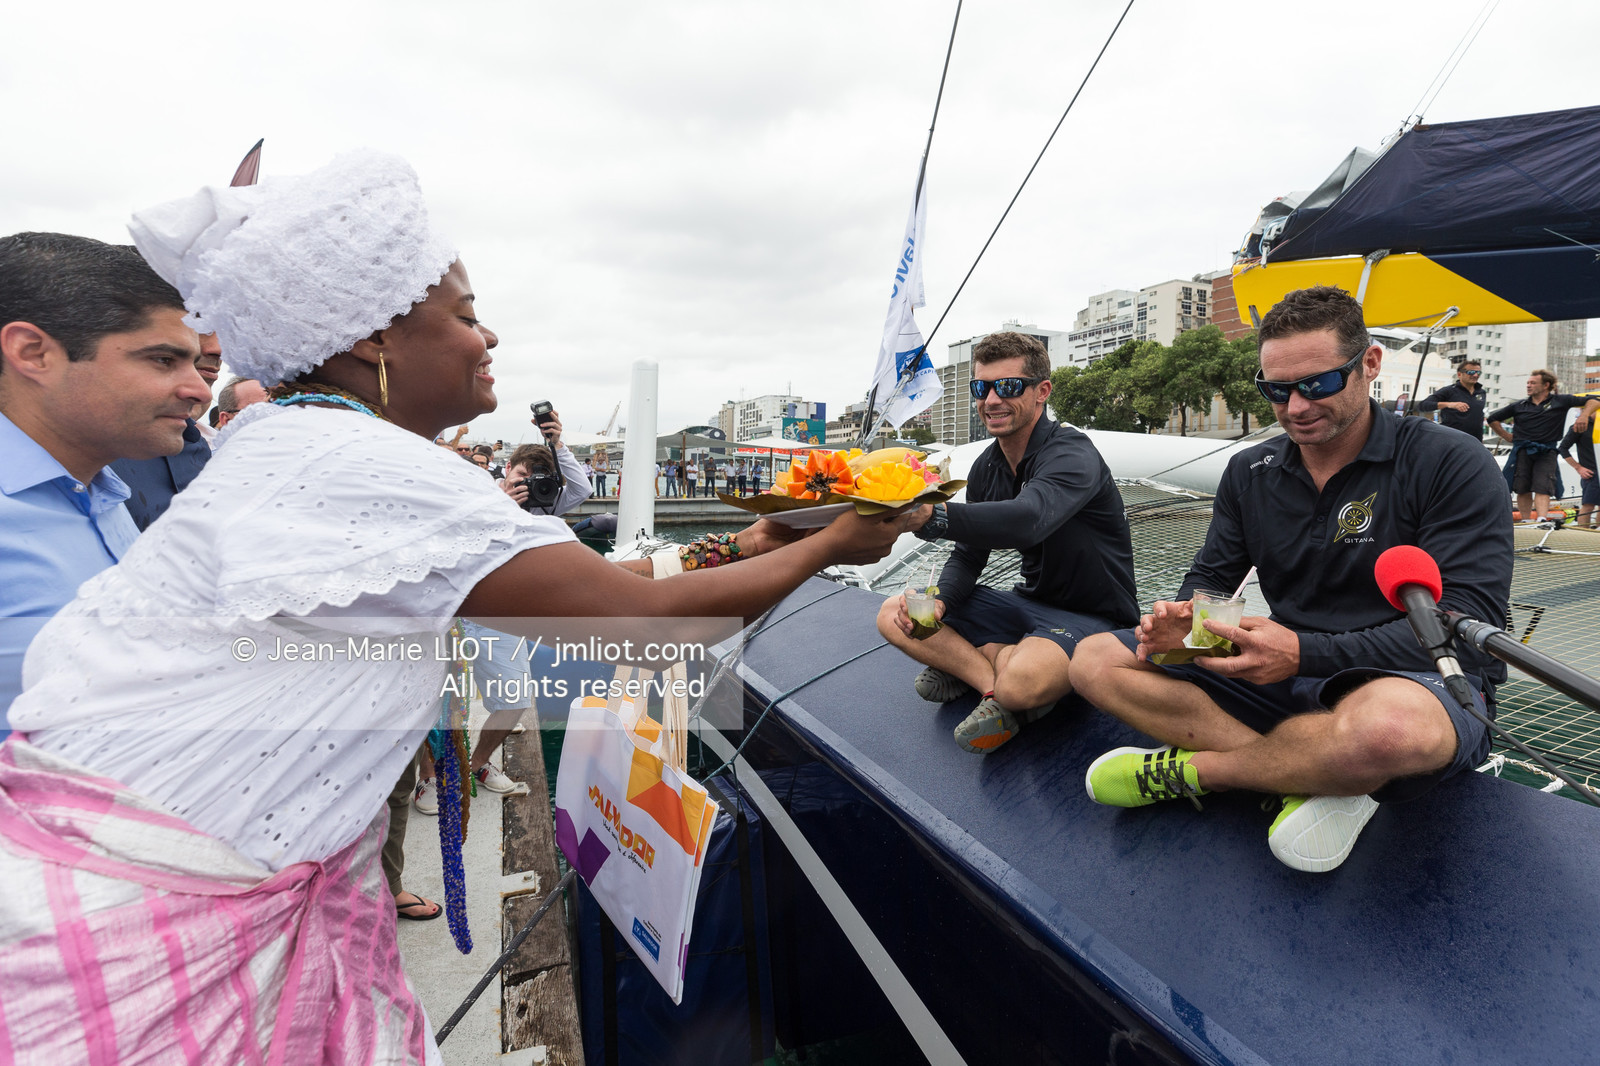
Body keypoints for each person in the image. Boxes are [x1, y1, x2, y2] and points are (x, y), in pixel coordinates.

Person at [0, 150, 916, 1063]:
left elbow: (560, 584)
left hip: (108, 874)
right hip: (154, 915)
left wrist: (749, 546)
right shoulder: (371, 462)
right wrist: (833, 544)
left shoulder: (288, 438)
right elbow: (644, 625)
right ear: (375, 338)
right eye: (467, 316)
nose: (489, 339)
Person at [1071, 285, 1514, 873]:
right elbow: (1212, 574)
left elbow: (1464, 626)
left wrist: (1303, 653)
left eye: (1318, 383)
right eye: (1276, 390)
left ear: (1369, 364)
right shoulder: (1248, 471)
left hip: (1411, 678)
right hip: (1283, 668)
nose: (1296, 407)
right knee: (1094, 659)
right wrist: (1186, 620)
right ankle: (1319, 774)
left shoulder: (1451, 461)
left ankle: (1205, 771)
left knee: (1387, 731)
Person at [878, 331, 1139, 753]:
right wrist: (941, 602)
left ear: (1042, 392)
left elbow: (1028, 520)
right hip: (1027, 603)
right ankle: (987, 684)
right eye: (981, 388)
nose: (992, 399)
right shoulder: (987, 467)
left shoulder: (1072, 454)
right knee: (895, 612)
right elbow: (969, 555)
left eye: (1009, 386)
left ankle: (981, 669)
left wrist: (933, 516)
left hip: (1095, 617)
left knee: (1021, 683)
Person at [0, 232, 206, 732]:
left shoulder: (103, 493)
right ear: (33, 353)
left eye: (196, 363)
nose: (200, 390)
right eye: (163, 359)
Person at [1488, 370, 1599, 523]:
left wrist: (1584, 416)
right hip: (1523, 449)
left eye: (1533, 383)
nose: (1528, 385)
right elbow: (1492, 419)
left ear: (1546, 385)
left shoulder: (1561, 401)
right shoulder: (1519, 405)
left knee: (1543, 485)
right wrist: (1506, 436)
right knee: (1522, 487)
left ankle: (1541, 519)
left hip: (1547, 450)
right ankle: (1526, 520)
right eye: (1528, 382)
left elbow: (1595, 400)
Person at [1416, 359, 1487, 438]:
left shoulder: (1481, 392)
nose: (1475, 375)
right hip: (1452, 438)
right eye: (1471, 372)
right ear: (1459, 374)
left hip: (1475, 439)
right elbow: (1423, 405)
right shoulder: (1449, 391)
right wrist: (1449, 404)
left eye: (1478, 373)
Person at [1559, 420, 1598, 529]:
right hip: (1591, 473)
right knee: (1588, 505)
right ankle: (1582, 532)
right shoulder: (1580, 426)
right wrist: (1578, 467)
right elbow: (1563, 448)